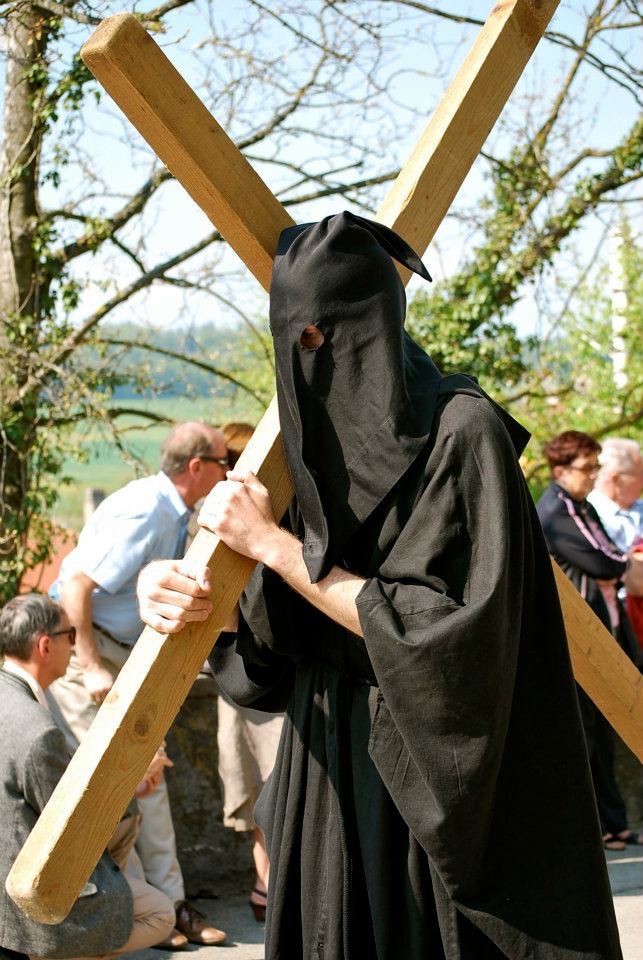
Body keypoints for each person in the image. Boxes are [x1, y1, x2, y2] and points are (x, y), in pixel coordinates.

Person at [138, 213, 622, 959]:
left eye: (322, 335)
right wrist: (196, 599)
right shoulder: (298, 447)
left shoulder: (463, 434)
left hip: (440, 786)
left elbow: (452, 638)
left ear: (372, 323)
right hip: (327, 775)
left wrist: (274, 548)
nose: (309, 358)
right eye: (291, 339)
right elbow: (268, 651)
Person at [49, 421, 228, 948]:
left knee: (150, 774)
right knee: (108, 789)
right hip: (91, 655)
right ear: (197, 467)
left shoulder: (171, 510)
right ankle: (135, 912)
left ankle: (169, 911)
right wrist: (94, 666)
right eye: (223, 461)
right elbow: (76, 586)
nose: (229, 470)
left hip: (120, 654)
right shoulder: (146, 510)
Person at [0, 593, 176, 959]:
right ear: (45, 645)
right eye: (72, 635)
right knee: (162, 915)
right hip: (29, 900)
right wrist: (133, 783)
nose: (76, 646)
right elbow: (69, 835)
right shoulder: (37, 730)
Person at [537, 430, 642, 852]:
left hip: (597, 631)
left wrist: (616, 565)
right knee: (583, 735)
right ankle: (595, 827)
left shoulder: (576, 505)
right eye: (588, 468)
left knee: (600, 732)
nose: (594, 475)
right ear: (562, 470)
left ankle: (612, 824)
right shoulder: (557, 508)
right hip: (576, 641)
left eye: (597, 466)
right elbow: (606, 559)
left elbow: (607, 558)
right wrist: (621, 565)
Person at [218, 423, 283, 922]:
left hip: (274, 681)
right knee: (253, 787)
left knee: (276, 784)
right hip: (236, 676)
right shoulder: (218, 514)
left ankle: (273, 882)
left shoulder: (274, 516)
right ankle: (262, 878)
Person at [588, 439, 643, 649]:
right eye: (640, 474)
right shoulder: (589, 515)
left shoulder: (639, 508)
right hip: (617, 626)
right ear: (616, 478)